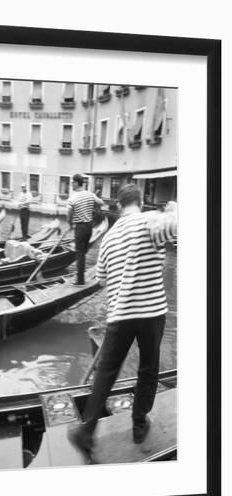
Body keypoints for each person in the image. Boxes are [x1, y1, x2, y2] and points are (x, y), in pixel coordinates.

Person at [68, 184, 177, 452]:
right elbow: (178, 225)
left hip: (119, 314)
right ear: (139, 202)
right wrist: (174, 208)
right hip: (151, 312)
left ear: (118, 205)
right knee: (148, 370)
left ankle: (87, 429)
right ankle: (139, 425)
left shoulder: (109, 237)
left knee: (106, 372)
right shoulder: (150, 221)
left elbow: (103, 279)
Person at [67, 174, 104, 285]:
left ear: (77, 183)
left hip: (80, 227)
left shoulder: (72, 198)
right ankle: (81, 275)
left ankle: (80, 280)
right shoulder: (90, 194)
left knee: (79, 253)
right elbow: (101, 203)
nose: (71, 185)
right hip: (89, 227)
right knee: (83, 252)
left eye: (72, 182)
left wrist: (70, 224)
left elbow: (68, 214)